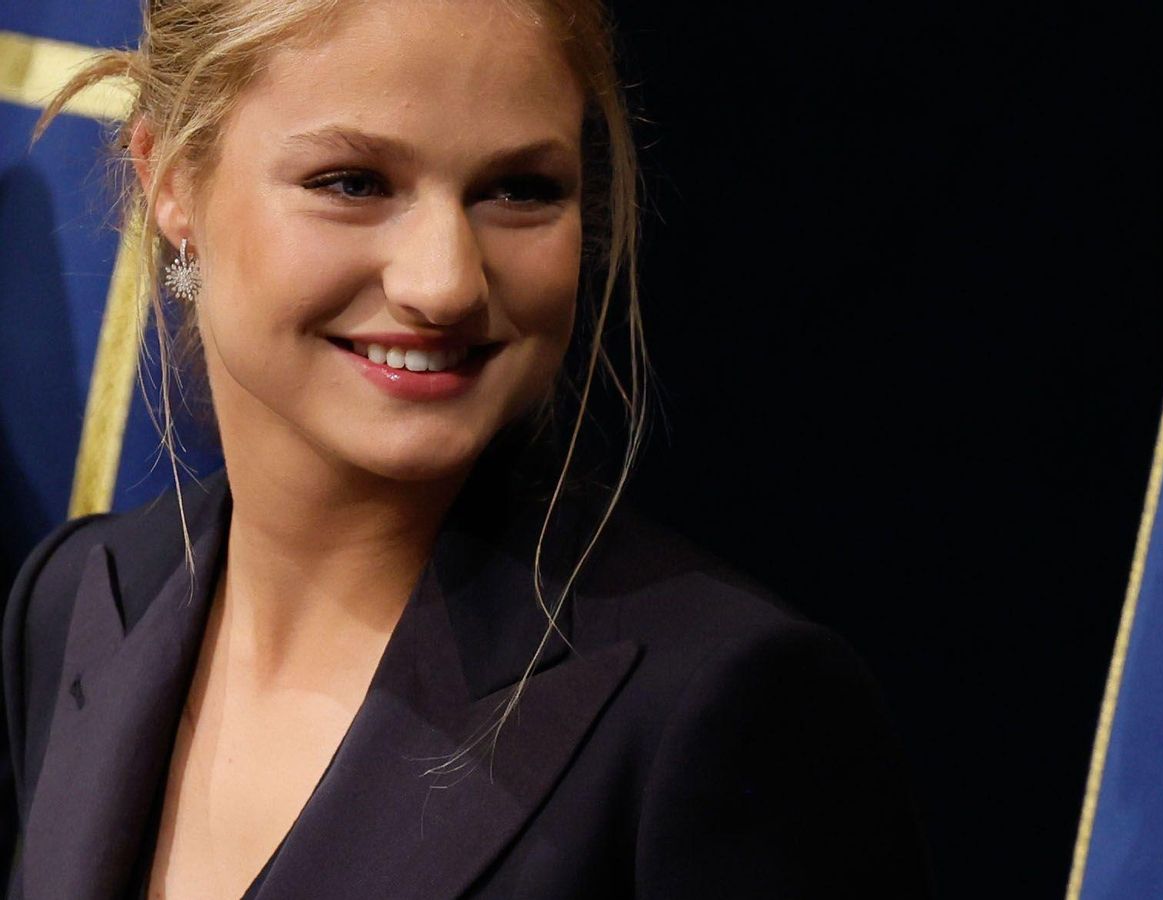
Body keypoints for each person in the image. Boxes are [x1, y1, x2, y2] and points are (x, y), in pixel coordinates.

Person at [4, 1, 933, 897]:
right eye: (353, 183)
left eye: (519, 190)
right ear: (170, 182)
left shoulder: (719, 707)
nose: (445, 283)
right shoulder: (77, 602)